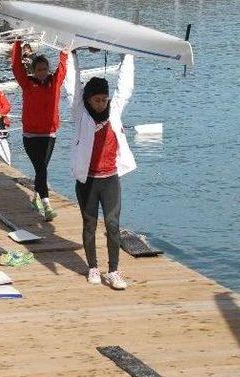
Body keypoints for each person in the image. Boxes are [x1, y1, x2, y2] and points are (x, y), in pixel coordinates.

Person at [64, 49, 137, 290]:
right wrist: (71, 55)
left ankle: (114, 271)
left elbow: (124, 89)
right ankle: (93, 267)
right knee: (89, 224)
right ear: (88, 100)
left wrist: (128, 55)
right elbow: (72, 88)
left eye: (104, 99)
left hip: (110, 179)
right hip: (87, 181)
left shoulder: (114, 111)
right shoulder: (80, 113)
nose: (102, 103)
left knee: (113, 225)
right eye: (97, 100)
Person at [11, 40, 67, 222]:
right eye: (39, 69)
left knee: (41, 169)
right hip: (30, 136)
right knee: (41, 168)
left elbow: (63, 67)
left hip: (49, 134)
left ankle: (37, 197)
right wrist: (17, 44)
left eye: (45, 69)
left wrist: (65, 51)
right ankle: (47, 205)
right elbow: (16, 67)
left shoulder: (55, 83)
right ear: (33, 71)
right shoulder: (27, 83)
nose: (42, 72)